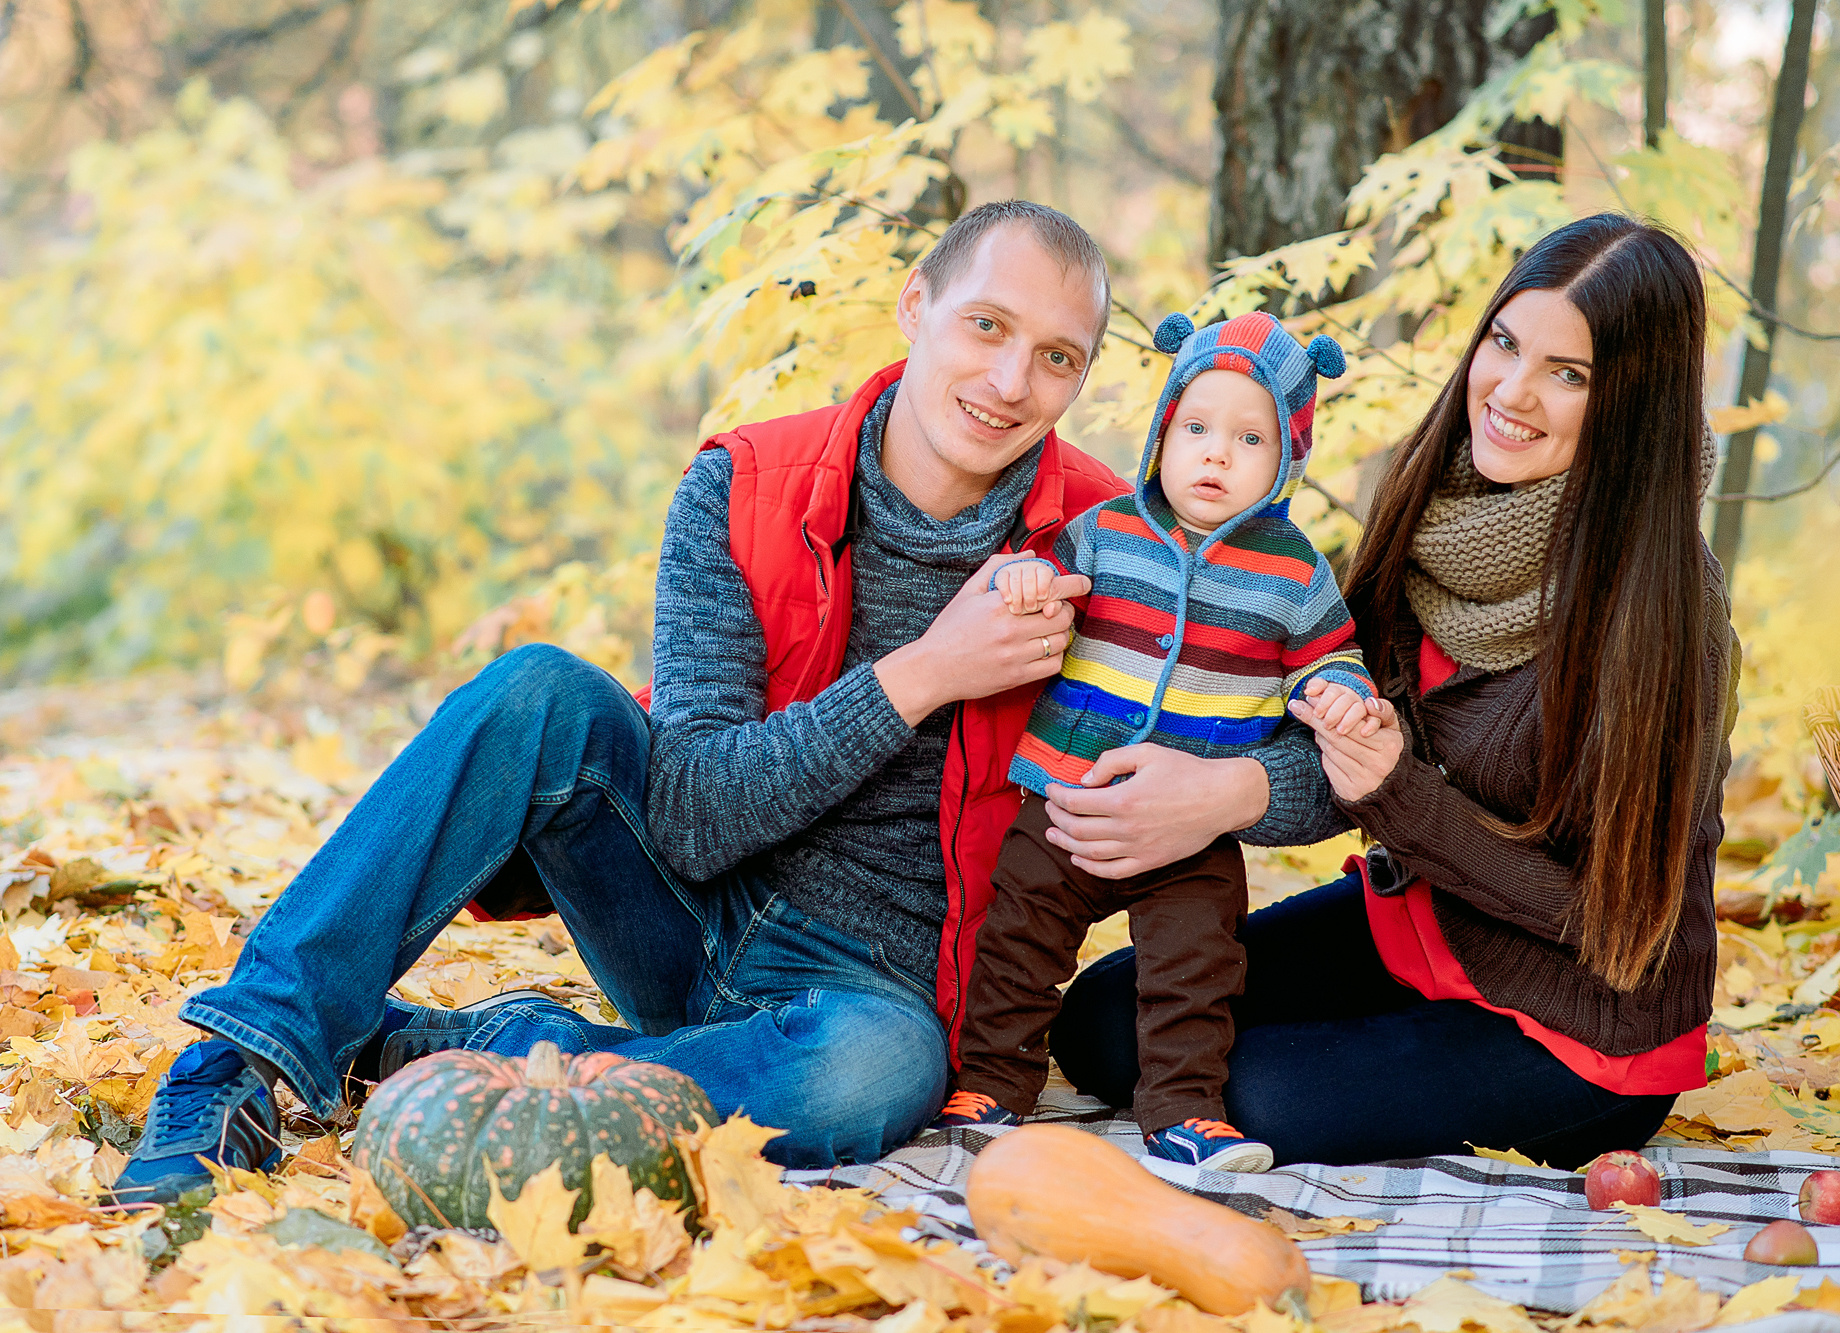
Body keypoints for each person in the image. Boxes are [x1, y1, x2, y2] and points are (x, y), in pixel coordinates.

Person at [112, 200, 1349, 1205]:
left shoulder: (1109, 543)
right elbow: (694, 815)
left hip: (870, 991)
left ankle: (457, 1052)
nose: (1009, 378)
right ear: (914, 309)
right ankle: (237, 1061)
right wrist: (928, 671)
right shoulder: (746, 484)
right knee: (538, 689)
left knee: (879, 1076)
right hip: (680, 903)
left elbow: (1326, 756)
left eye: (1056, 356)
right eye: (984, 325)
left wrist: (1229, 786)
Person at [1049, 214, 1739, 1169]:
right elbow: (1335, 725)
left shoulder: (1665, 607)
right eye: (1505, 342)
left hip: (1578, 1023)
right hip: (1418, 927)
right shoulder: (1435, 505)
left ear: (1633, 403)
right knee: (1104, 1025)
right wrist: (1209, 788)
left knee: (1255, 1092)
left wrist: (1397, 792)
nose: (1512, 391)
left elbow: (1612, 924)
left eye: (1569, 374)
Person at [930, 311, 1379, 1172]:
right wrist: (1023, 578)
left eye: (1250, 438)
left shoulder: (1296, 574)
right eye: (1196, 428)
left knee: (1196, 965)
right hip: (1070, 793)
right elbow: (1043, 585)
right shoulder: (1107, 530)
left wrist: (1341, 691)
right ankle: (994, 1079)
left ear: (1288, 456)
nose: (1216, 454)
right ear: (1162, 432)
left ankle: (1183, 1108)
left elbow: (1330, 655)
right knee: (1018, 934)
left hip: (1193, 825)